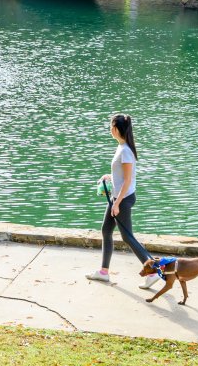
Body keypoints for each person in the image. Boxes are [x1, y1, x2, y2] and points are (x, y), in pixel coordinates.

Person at [86, 114, 161, 289]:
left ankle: (153, 271)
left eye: (112, 125)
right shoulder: (121, 147)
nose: (110, 129)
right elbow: (121, 176)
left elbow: (127, 181)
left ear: (118, 128)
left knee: (127, 236)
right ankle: (104, 272)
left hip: (123, 199)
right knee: (106, 231)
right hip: (117, 197)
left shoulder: (126, 151)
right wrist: (109, 177)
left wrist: (117, 203)